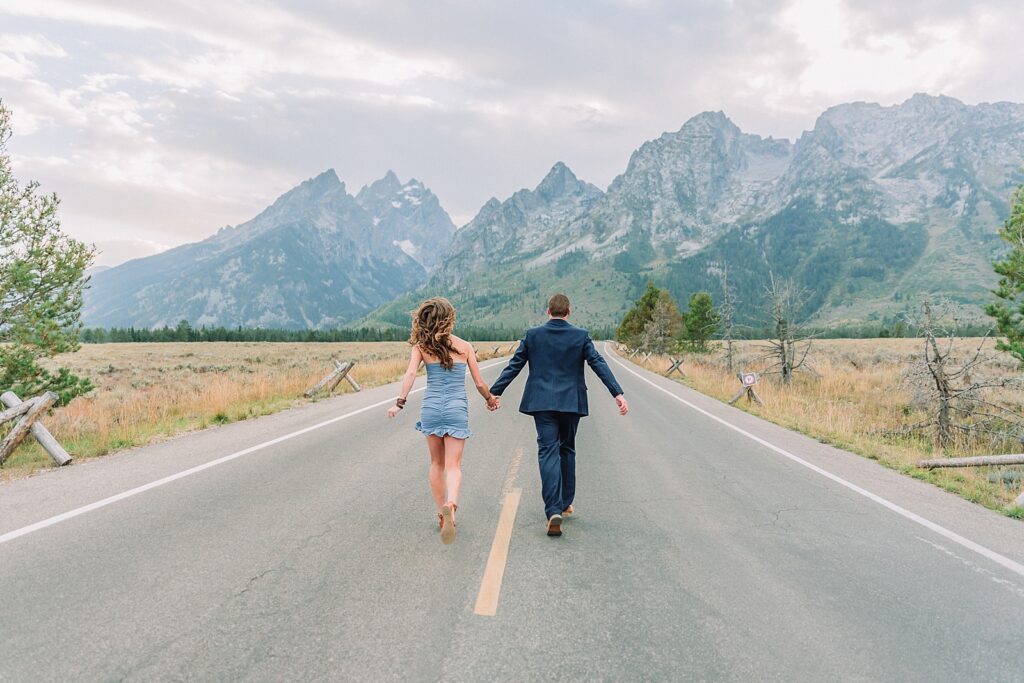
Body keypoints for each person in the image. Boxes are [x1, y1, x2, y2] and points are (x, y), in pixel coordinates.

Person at [489, 293, 628, 537]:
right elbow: (598, 364)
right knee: (567, 449)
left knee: (547, 451)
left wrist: (494, 392)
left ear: (548, 311)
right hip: (571, 402)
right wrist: (617, 393)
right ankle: (564, 503)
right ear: (569, 312)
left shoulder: (533, 335)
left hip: (541, 402)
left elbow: (515, 365)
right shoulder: (580, 336)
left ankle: (552, 508)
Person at [387, 297, 498, 544]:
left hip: (432, 408)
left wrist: (399, 403)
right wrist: (490, 399)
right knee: (453, 466)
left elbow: (411, 374)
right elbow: (479, 383)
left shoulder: (421, 348)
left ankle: (441, 513)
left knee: (436, 463)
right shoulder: (465, 346)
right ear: (449, 318)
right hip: (457, 409)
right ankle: (452, 503)